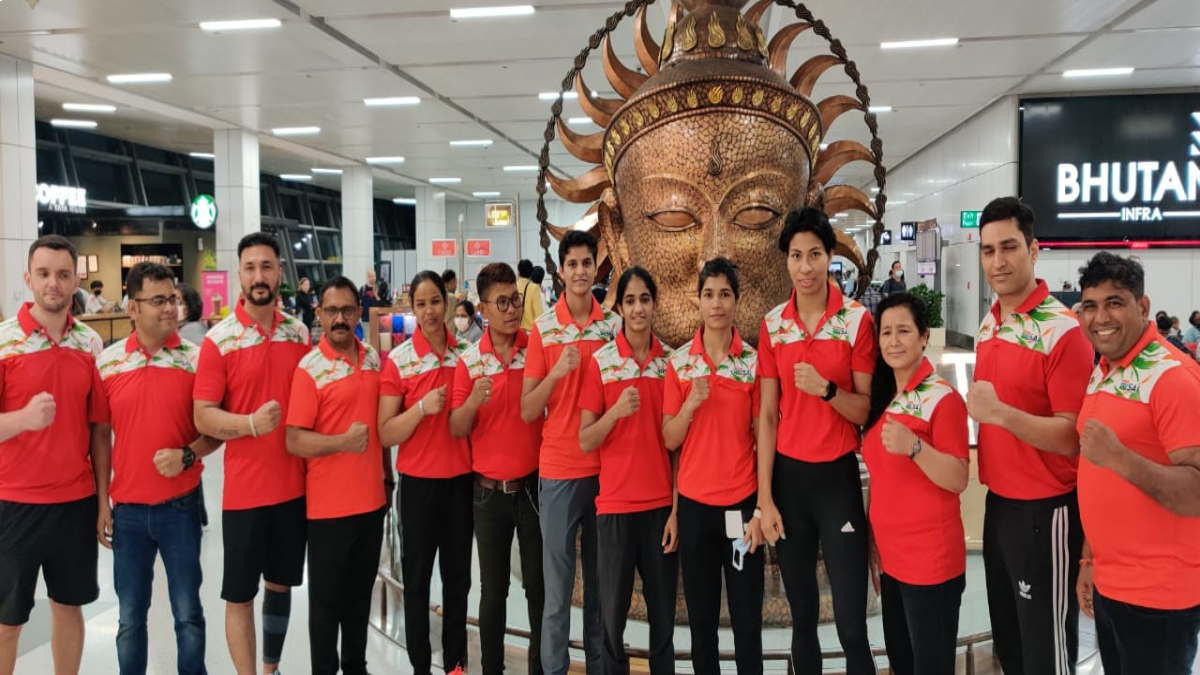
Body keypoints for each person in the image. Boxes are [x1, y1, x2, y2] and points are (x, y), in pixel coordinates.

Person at [968, 197, 1093, 675]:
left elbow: (1071, 438)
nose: (997, 262)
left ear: (1034, 250)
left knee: (1047, 652)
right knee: (1012, 644)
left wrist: (999, 413)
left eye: (1009, 247)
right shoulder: (990, 323)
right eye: (987, 250)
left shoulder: (1063, 333)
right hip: (999, 504)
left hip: (1048, 511)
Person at [755, 208, 877, 675]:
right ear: (786, 261)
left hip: (837, 482)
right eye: (795, 256)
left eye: (814, 255)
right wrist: (765, 498)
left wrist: (827, 390)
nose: (805, 267)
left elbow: (863, 410)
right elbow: (767, 416)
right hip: (789, 481)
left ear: (830, 257)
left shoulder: (854, 321)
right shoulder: (774, 325)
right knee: (802, 618)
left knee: (850, 624)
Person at [1072, 252, 1200, 675]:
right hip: (1112, 585)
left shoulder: (1173, 377)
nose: (1100, 317)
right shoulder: (1105, 369)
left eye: (1115, 302)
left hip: (1159, 598)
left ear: (1142, 307)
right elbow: (1096, 474)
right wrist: (1090, 561)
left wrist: (1122, 458)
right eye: (1090, 305)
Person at [193, 232, 311, 675]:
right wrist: (247, 425)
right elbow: (203, 416)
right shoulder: (218, 341)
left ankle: (270, 668)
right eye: (249, 267)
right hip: (243, 494)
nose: (258, 276)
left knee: (279, 585)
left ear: (280, 272)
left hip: (294, 489)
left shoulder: (299, 333)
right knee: (239, 594)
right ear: (238, 274)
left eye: (266, 266)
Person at [97, 262, 218, 675]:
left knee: (188, 613)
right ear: (133, 308)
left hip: (180, 507)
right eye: (158, 300)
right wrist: (102, 504)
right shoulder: (108, 364)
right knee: (130, 620)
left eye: (173, 299)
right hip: (127, 512)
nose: (170, 308)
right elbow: (99, 438)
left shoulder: (196, 360)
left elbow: (215, 430)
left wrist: (187, 454)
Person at [0, 235, 107, 675]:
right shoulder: (4, 343)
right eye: (44, 274)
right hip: (14, 503)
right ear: (28, 279)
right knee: (8, 621)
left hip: (75, 503)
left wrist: (103, 501)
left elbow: (100, 430)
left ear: (76, 280)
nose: (54, 284)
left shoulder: (90, 344)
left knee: (69, 607)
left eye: (63, 274)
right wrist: (23, 418)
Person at [521, 230, 621, 675]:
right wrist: (557, 372)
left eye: (587, 263)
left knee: (601, 590)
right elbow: (527, 409)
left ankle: (599, 667)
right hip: (559, 471)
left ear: (594, 269)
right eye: (572, 264)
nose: (580, 272)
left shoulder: (613, 326)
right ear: (561, 272)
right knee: (558, 593)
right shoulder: (543, 331)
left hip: (607, 473)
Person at [663, 257, 764, 675]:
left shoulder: (754, 363)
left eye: (725, 294)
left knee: (747, 623)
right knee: (702, 625)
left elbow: (764, 438)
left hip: (742, 508)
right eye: (709, 294)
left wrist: (761, 509)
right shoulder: (681, 363)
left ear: (737, 302)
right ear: (698, 301)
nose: (716, 303)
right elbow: (670, 439)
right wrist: (689, 405)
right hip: (695, 508)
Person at [862, 292, 970, 675]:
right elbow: (880, 476)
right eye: (886, 332)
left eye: (903, 331)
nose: (893, 341)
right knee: (902, 663)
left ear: (924, 336)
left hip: (931, 564)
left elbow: (958, 477)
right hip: (893, 562)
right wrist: (873, 539)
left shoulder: (943, 399)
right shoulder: (884, 398)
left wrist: (916, 447)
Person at [579, 266, 678, 675]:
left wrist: (676, 510)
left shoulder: (671, 362)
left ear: (655, 304)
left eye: (645, 299)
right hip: (615, 510)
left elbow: (677, 448)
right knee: (611, 623)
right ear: (619, 307)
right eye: (630, 301)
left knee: (664, 626)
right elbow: (586, 439)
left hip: (659, 511)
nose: (638, 308)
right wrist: (616, 412)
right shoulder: (601, 363)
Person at [285, 276, 386, 675]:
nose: (340, 319)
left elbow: (381, 428)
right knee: (326, 607)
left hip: (372, 504)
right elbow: (294, 439)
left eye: (347, 310)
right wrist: (342, 442)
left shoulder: (374, 358)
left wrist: (388, 480)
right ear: (319, 315)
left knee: (360, 600)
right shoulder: (309, 369)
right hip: (328, 510)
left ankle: (356, 668)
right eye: (332, 311)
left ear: (359, 312)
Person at [449, 263, 546, 675]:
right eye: (502, 302)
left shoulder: (536, 349)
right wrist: (473, 401)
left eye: (516, 300)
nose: (512, 310)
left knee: (539, 589)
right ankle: (492, 668)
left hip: (534, 489)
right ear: (483, 309)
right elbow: (456, 426)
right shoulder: (470, 362)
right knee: (494, 591)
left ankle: (541, 665)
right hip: (487, 493)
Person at [379, 270, 473, 675]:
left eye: (435, 301)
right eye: (421, 304)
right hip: (417, 486)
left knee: (458, 580)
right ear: (411, 308)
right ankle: (420, 664)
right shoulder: (399, 361)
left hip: (460, 483)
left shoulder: (466, 355)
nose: (430, 311)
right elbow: (385, 432)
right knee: (417, 582)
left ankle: (454, 663)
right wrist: (420, 410)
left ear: (447, 302)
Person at [517, 259, 545, 331]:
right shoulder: (534, 288)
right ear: (531, 273)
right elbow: (539, 314)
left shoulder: (513, 286)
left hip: (516, 331)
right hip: (529, 332)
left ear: (519, 271)